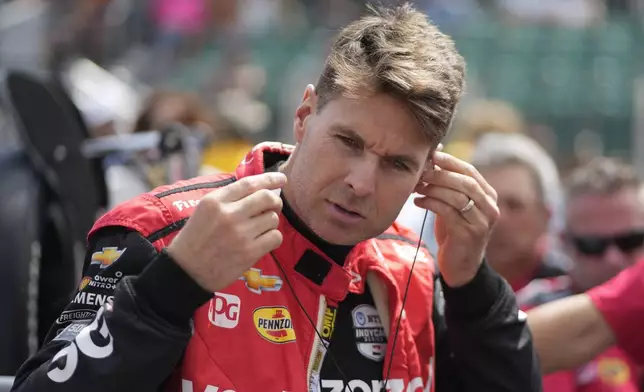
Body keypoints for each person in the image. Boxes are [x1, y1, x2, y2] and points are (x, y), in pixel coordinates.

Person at [11, 4, 540, 392]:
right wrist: (170, 288)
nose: (361, 181)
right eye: (348, 143)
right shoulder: (162, 232)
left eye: (396, 164)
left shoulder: (417, 270)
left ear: (429, 170)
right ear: (306, 115)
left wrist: (473, 287)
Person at [519, 158, 643, 391]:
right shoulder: (531, 309)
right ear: (564, 243)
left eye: (630, 241)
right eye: (593, 244)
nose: (613, 257)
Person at [469, 133, 566, 292]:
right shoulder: (442, 289)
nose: (497, 217)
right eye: (484, 203)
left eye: (514, 205)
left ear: (545, 216)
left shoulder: (570, 291)